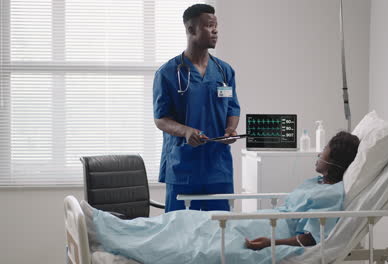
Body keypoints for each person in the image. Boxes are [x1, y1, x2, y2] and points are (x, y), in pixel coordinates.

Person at [85, 131, 360, 264]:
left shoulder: (331, 194)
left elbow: (311, 238)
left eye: (324, 149)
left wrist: (270, 242)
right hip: (254, 222)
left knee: (191, 246)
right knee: (180, 221)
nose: (318, 153)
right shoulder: (316, 181)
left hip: (265, 232)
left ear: (335, 160)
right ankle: (105, 227)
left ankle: (106, 234)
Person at [153, 4, 241, 212]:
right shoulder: (167, 73)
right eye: (209, 26)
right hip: (183, 165)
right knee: (180, 233)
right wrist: (185, 131)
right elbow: (160, 119)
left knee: (219, 233)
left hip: (218, 167)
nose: (215, 30)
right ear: (191, 30)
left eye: (216, 25)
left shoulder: (224, 71)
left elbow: (233, 109)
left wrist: (230, 130)